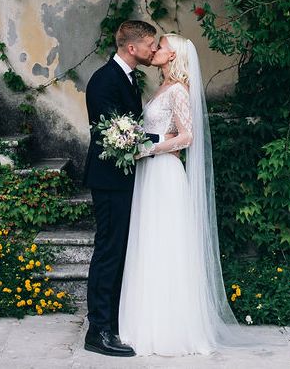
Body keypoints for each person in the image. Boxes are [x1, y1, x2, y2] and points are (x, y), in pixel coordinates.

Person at [118, 33, 243, 355]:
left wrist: (148, 148)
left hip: (164, 172)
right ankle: (144, 323)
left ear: (173, 56)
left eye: (160, 46)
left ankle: (170, 329)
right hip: (150, 172)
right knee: (149, 242)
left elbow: (187, 137)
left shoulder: (178, 90)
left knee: (166, 244)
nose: (155, 50)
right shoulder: (161, 87)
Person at [82, 20, 162, 357]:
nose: (153, 50)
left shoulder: (129, 78)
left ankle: (113, 321)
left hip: (125, 179)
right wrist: (166, 140)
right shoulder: (104, 80)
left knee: (121, 251)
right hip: (109, 181)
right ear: (132, 47)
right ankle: (98, 331)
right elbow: (117, 135)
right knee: (109, 251)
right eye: (150, 45)